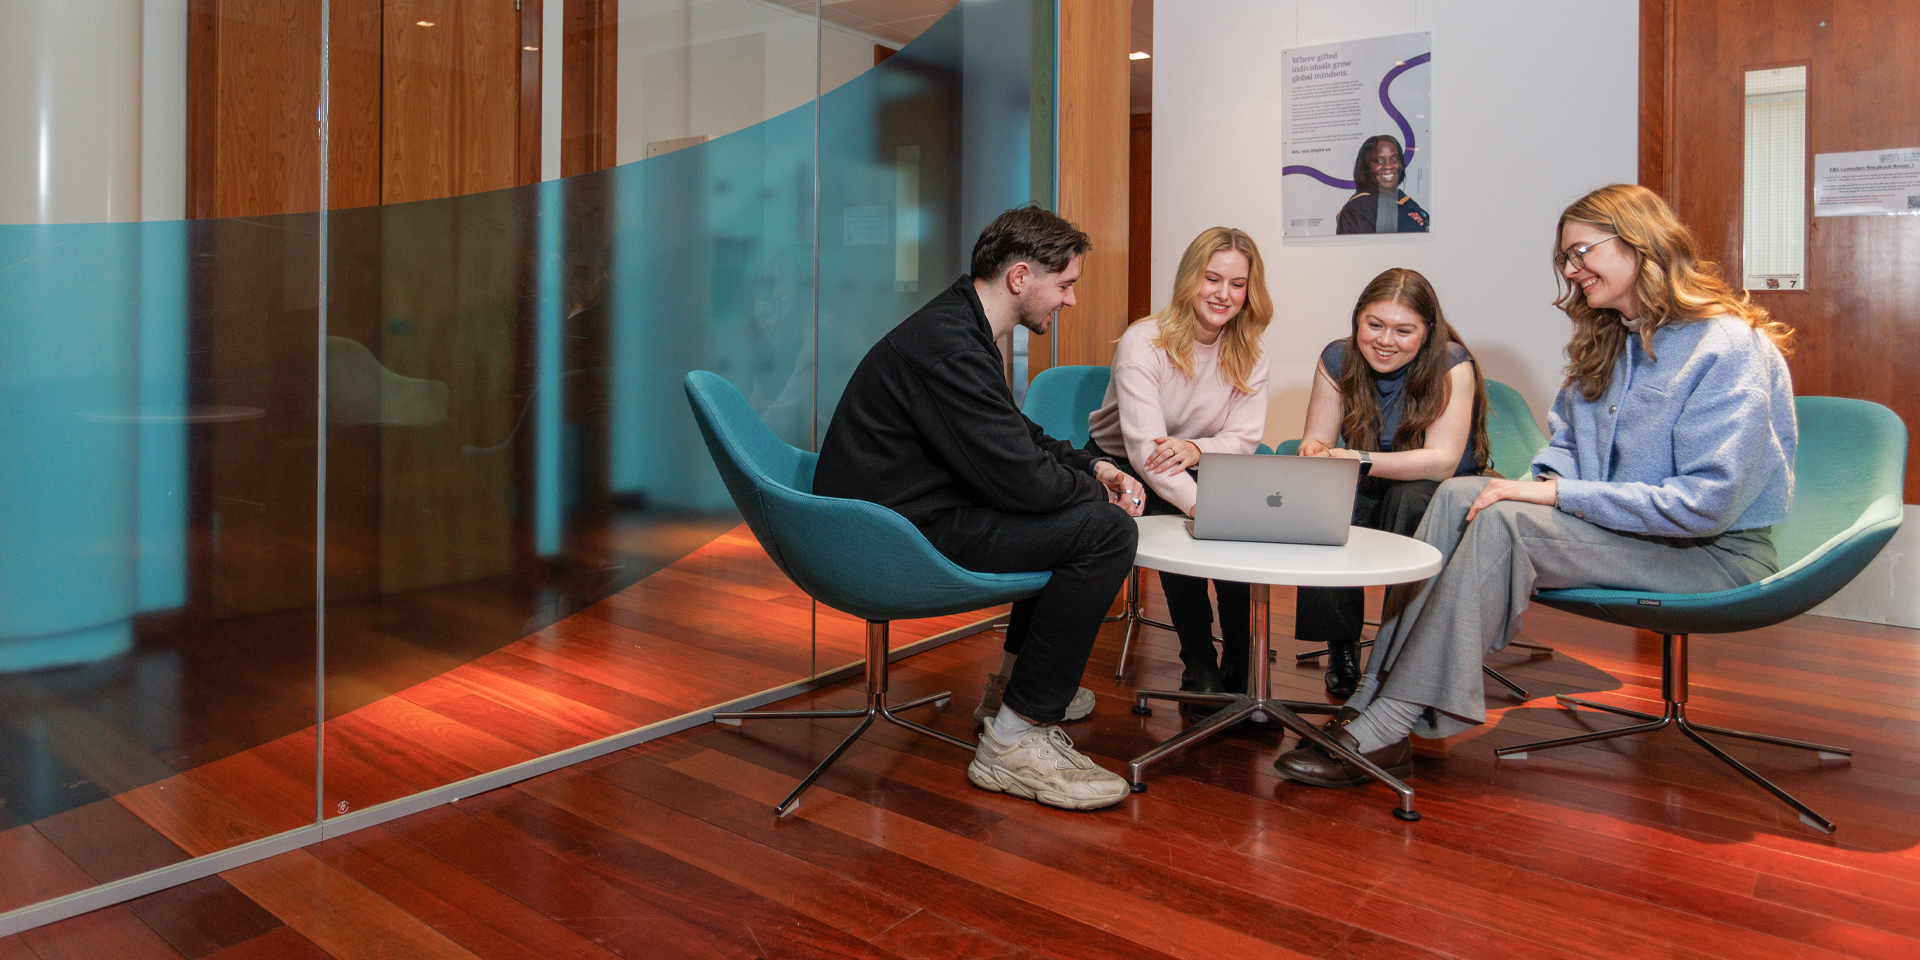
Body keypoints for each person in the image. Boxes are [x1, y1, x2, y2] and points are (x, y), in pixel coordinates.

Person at [1275, 183, 1796, 787]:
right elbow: (1567, 451)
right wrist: (1540, 484)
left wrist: (1551, 495)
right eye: (1565, 258)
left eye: (1581, 253)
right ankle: (1372, 697)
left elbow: (1706, 506)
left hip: (1710, 552)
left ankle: (1389, 724)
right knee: (1460, 495)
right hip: (1626, 533)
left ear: (1640, 244)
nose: (1570, 271)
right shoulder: (1611, 341)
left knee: (1506, 520)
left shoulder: (1727, 346)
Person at [813, 205, 1145, 811]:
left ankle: (1012, 692)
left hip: (907, 515)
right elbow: (1024, 482)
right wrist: (1101, 494)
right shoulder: (950, 346)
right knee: (1105, 532)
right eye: (1065, 285)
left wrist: (1091, 466)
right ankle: (1014, 740)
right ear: (1020, 277)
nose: (1070, 300)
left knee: (1076, 518)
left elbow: (1012, 433)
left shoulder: (960, 327)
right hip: (889, 536)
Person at [1085, 227, 1271, 713]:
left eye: (1237, 284)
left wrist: (1195, 448)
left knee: (1240, 525)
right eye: (1212, 278)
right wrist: (1202, 508)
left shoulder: (1250, 350)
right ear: (1190, 278)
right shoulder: (1143, 341)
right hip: (1124, 462)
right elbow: (1146, 450)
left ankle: (1243, 666)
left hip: (1202, 458)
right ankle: (1200, 667)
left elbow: (1244, 439)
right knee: (1182, 518)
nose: (1224, 294)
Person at [1293, 268, 1489, 699]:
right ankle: (1341, 645)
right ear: (1357, 318)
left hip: (1439, 484)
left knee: (1409, 499)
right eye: (1375, 325)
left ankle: (1398, 649)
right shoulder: (1337, 358)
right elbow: (1317, 437)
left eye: (1404, 330)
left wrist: (1358, 459)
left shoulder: (1452, 363)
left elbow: (1441, 462)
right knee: (1323, 496)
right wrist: (1315, 451)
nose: (1385, 340)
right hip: (1372, 472)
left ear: (1427, 331)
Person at [1335, 135, 1430, 235]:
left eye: (1394, 159)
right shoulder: (1358, 209)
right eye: (1379, 161)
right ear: (1367, 166)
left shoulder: (1402, 200)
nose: (1388, 166)